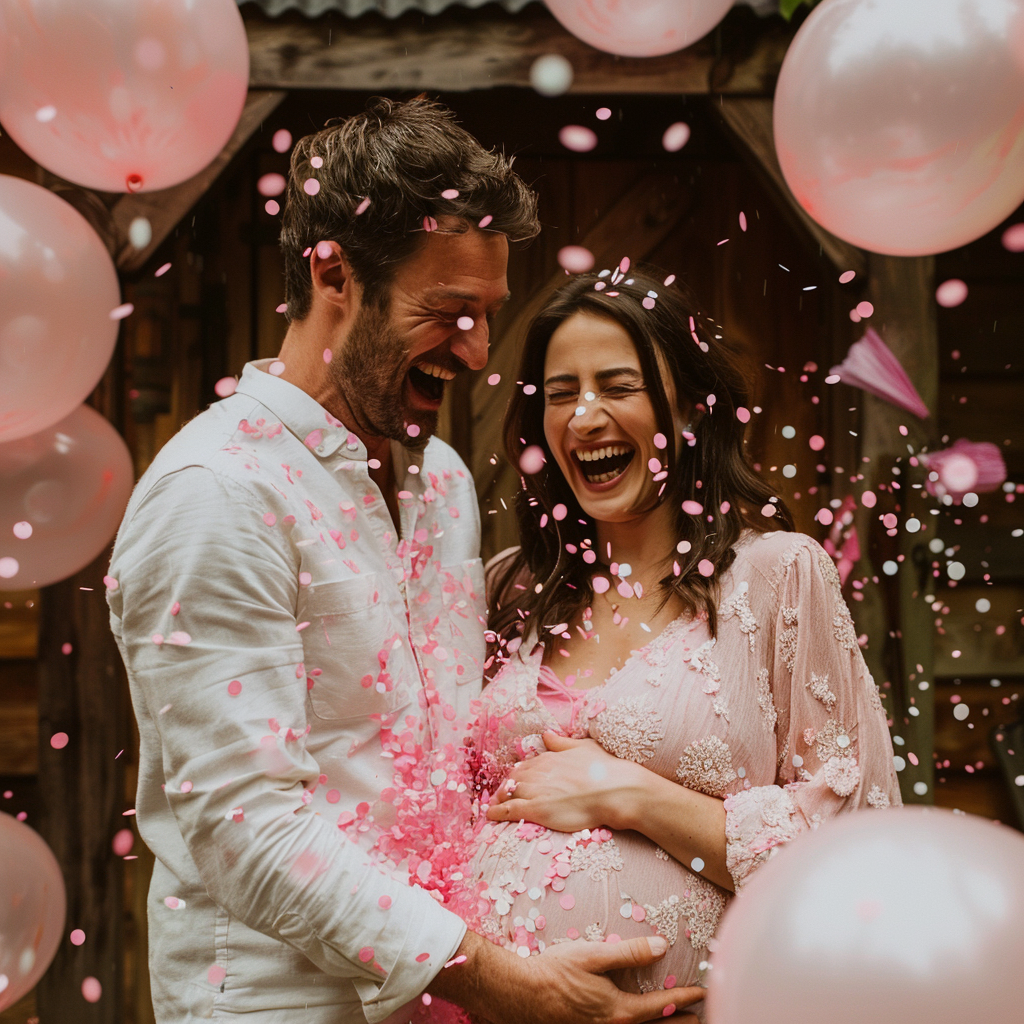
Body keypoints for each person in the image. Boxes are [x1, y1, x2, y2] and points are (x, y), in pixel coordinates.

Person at [106, 98, 702, 1024]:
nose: (474, 351)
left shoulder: (443, 482)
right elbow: (246, 829)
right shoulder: (215, 493)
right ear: (333, 272)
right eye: (447, 313)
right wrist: (508, 984)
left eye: (488, 315)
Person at [395, 264, 903, 1021]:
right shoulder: (509, 592)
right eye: (561, 393)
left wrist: (628, 794)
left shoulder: (775, 577)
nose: (585, 417)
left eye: (618, 386)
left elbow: (855, 849)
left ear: (690, 409)